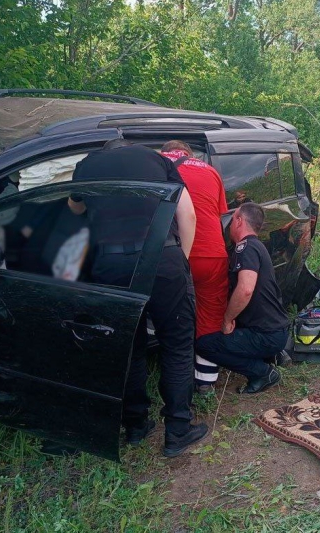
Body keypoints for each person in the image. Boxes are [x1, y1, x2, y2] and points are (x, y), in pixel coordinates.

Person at [71, 139, 208, 458]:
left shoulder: (87, 166)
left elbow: (74, 209)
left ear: (105, 150)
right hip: (162, 257)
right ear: (128, 146)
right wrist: (181, 262)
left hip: (111, 265)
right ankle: (177, 431)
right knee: (176, 343)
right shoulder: (157, 160)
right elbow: (186, 214)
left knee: (129, 346)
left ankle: (136, 425)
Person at [195, 202, 289, 394]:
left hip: (266, 334)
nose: (229, 226)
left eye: (232, 220)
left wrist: (227, 320)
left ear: (239, 221)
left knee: (204, 345)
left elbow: (245, 289)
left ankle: (263, 373)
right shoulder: (258, 246)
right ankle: (272, 356)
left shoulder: (245, 248)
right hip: (274, 330)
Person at [160, 141, 229, 395]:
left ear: (165, 151)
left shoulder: (159, 166)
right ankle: (206, 383)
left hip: (175, 254)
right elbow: (220, 213)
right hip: (211, 254)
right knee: (210, 314)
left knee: (171, 313)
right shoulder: (209, 170)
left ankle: (172, 375)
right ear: (188, 153)